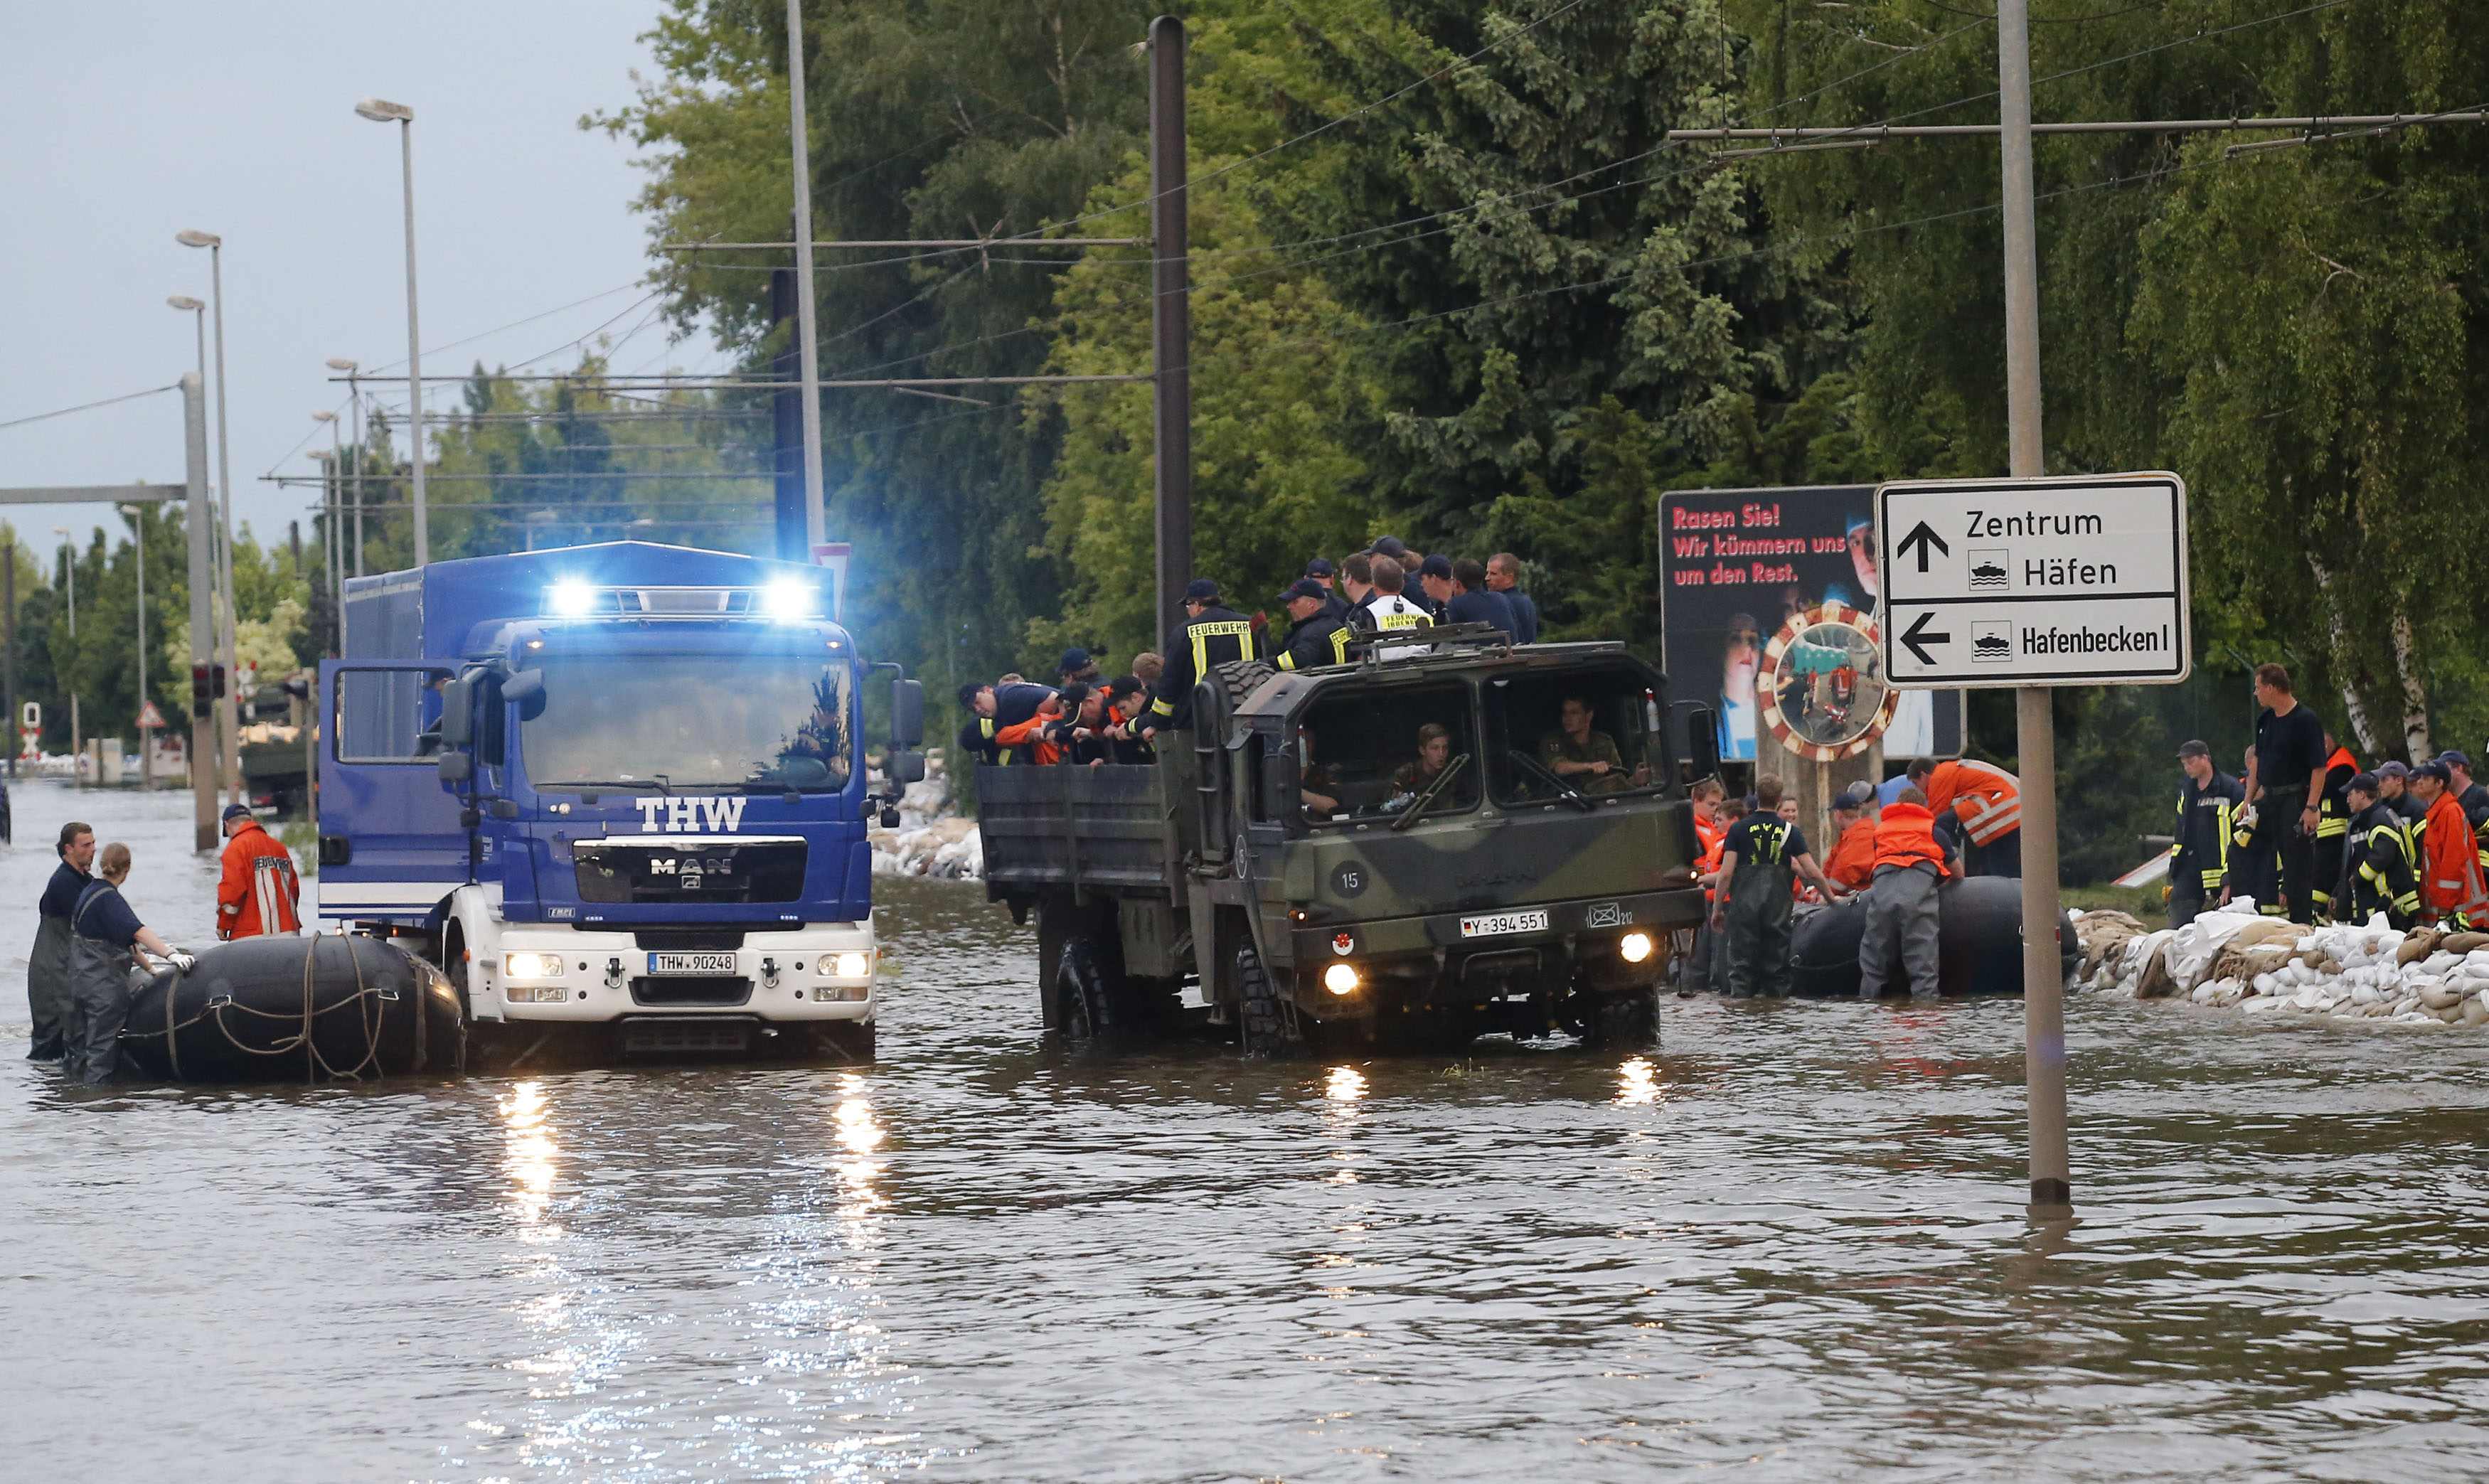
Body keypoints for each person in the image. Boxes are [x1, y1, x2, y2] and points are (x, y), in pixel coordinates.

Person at [62, 843, 187, 1085]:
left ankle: (73, 1106)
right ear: (127, 869)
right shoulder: (110, 899)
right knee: (101, 1053)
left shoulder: (89, 891)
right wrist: (171, 954)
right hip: (102, 991)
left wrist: (151, 969)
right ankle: (99, 1107)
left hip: (79, 985)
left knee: (78, 1050)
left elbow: (126, 941)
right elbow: (137, 932)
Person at [1711, 775, 1843, 999]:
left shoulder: (1738, 830)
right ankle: (1777, 1020)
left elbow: (1725, 874)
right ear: (1779, 800)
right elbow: (1812, 871)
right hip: (1777, 912)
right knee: (1778, 971)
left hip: (1743, 912)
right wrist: (1831, 899)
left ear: (1757, 797)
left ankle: (1744, 1020)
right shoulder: (1791, 832)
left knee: (1741, 970)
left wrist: (1717, 910)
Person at [2237, 663, 2328, 923]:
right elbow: (2257, 763)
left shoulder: (2305, 720)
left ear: (2272, 688)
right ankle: (2255, 915)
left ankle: (2301, 926)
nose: (2256, 694)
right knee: (2249, 851)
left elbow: (2319, 768)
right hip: (2268, 800)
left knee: (2297, 870)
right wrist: (2248, 800)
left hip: (2295, 800)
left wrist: (2311, 807)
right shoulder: (2265, 720)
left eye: (2258, 688)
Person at [1857, 784, 1955, 1000]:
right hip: (1918, 901)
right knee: (1923, 965)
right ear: (1924, 807)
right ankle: (1925, 1012)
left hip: (1881, 900)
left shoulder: (1880, 832)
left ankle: (1868, 1012)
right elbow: (1958, 872)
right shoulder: (1934, 831)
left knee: (1873, 965)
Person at [1146, 579, 1254, 732]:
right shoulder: (1250, 624)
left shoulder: (1184, 632)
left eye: (1188, 606)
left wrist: (1159, 722)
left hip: (1200, 725)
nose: (1188, 611)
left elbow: (1170, 682)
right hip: (1249, 720)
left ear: (1197, 605)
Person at [26, 821, 95, 1062]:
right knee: (51, 1046)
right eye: (86, 845)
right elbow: (95, 923)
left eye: (94, 843)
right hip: (52, 975)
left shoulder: (84, 880)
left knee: (71, 1040)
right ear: (69, 849)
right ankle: (48, 1094)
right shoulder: (64, 883)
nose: (93, 849)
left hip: (66, 968)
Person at [2167, 741, 2245, 928]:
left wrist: (2230, 879)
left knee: (2217, 932)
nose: (2187, 767)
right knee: (2178, 929)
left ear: (2206, 759)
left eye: (2191, 761)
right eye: (2184, 764)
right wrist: (2175, 868)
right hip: (2188, 869)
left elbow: (2243, 834)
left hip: (2221, 873)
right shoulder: (2187, 791)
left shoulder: (2230, 789)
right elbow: (2180, 831)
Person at [1906, 755, 2023, 877]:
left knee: (1942, 824)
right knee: (2001, 862)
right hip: (2009, 808)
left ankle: (1947, 867)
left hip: (2003, 806)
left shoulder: (1939, 776)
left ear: (1924, 775)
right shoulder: (1954, 770)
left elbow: (1933, 817)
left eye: (1916, 783)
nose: (1918, 789)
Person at [2409, 760, 2488, 929]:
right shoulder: (2436, 813)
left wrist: (2446, 905)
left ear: (2439, 783)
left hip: (2460, 910)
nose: (2419, 781)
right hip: (2448, 908)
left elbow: (2454, 861)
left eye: (2426, 777)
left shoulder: (2450, 812)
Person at [2337, 773, 2419, 929]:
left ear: (2362, 795)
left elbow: (2382, 856)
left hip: (2389, 905)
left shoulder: (2379, 818)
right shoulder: (2369, 819)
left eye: (2350, 794)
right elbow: (2353, 860)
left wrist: (2359, 877)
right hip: (2379, 904)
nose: (2348, 800)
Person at [217, 804, 302, 940]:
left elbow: (232, 894)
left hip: (251, 937)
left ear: (227, 825)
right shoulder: (279, 848)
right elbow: (294, 889)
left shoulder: (236, 848)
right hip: (289, 934)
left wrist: (224, 925)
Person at [1691, 794, 1746, 994]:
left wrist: (1701, 880)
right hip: (1710, 903)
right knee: (1705, 954)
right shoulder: (1718, 842)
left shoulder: (1733, 843)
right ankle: (1705, 990)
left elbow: (1725, 874)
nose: (1715, 823)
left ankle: (1725, 990)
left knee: (1722, 956)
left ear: (1735, 821)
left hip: (1726, 904)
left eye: (1720, 819)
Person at [1540, 694, 1646, 795]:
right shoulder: (1553, 740)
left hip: (1603, 801)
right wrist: (1591, 766)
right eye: (1565, 713)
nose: (1567, 718)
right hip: (1567, 803)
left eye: (1574, 713)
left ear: (1589, 716)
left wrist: (1635, 780)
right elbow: (1560, 768)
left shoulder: (1604, 741)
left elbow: (1616, 778)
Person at [2308, 733, 2360, 921]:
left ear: (2326, 744)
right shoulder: (2329, 763)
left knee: (2325, 877)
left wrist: (2310, 786)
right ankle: (2317, 911)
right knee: (2320, 876)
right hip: (2324, 835)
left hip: (2336, 833)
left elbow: (2326, 788)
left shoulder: (2342, 763)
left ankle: (2318, 912)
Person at [1350, 556, 1433, 658]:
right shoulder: (1423, 614)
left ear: (1374, 585)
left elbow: (1362, 657)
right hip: (1424, 671)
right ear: (1402, 584)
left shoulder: (1367, 614)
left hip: (1382, 672)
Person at [1274, 580, 1354, 672]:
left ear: (1311, 604)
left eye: (1295, 601)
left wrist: (1265, 664)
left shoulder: (1311, 633)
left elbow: (1297, 660)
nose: (1289, 606)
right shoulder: (1337, 626)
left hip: (1322, 685)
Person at [1822, 781, 1880, 893]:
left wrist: (1826, 894)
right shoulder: (1855, 835)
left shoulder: (1860, 837)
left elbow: (1844, 872)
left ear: (1838, 814)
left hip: (1860, 901)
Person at [1446, 557, 1518, 637]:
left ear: (1457, 583)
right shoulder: (1502, 598)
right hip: (1509, 648)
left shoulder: (1456, 604)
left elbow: (1454, 641)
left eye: (1452, 580)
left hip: (1479, 649)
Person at [1485, 553, 1538, 644]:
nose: (1487, 578)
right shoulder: (1526, 601)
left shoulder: (1500, 603)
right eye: (1487, 573)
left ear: (1509, 578)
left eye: (1493, 574)